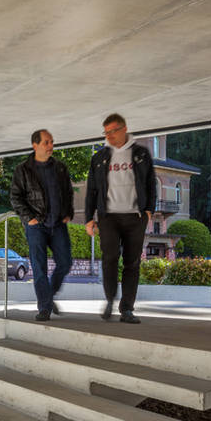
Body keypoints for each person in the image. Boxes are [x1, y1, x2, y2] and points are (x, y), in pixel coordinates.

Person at [84, 113, 155, 324]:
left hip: (135, 216)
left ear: (124, 129)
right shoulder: (99, 158)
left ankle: (127, 309)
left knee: (132, 263)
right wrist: (89, 218)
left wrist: (149, 210)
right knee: (109, 259)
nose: (109, 136)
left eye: (113, 131)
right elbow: (92, 191)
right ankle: (109, 300)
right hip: (109, 217)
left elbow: (151, 183)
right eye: (106, 133)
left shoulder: (141, 154)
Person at [10, 129, 74, 321]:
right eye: (46, 142)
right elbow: (15, 197)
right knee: (39, 268)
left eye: (52, 142)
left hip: (58, 225)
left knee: (65, 262)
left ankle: (49, 295)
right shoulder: (23, 170)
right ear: (35, 145)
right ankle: (44, 308)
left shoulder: (60, 168)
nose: (50, 146)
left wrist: (68, 213)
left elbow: (68, 192)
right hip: (36, 225)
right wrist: (29, 217)